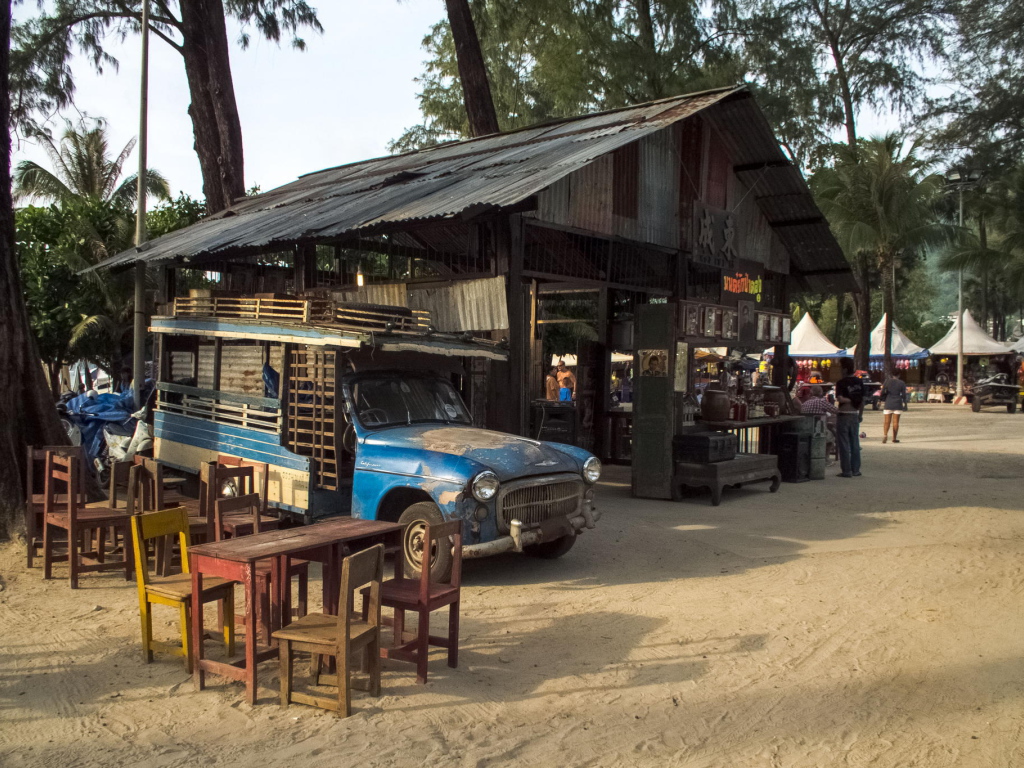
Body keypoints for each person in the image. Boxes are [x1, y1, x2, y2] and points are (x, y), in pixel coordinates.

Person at [834, 357, 865, 478]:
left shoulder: (841, 383)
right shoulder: (859, 382)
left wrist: (849, 400)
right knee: (855, 443)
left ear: (845, 369)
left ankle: (846, 470)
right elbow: (862, 400)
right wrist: (860, 414)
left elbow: (840, 399)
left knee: (844, 444)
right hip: (855, 414)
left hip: (844, 414)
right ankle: (856, 469)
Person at [880, 371, 908, 443]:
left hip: (888, 402)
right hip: (898, 403)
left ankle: (885, 435)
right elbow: (904, 395)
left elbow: (882, 392)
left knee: (887, 421)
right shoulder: (902, 383)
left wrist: (881, 399)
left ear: (891, 375)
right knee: (896, 422)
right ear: (899, 374)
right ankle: (894, 438)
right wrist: (905, 405)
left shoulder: (887, 381)